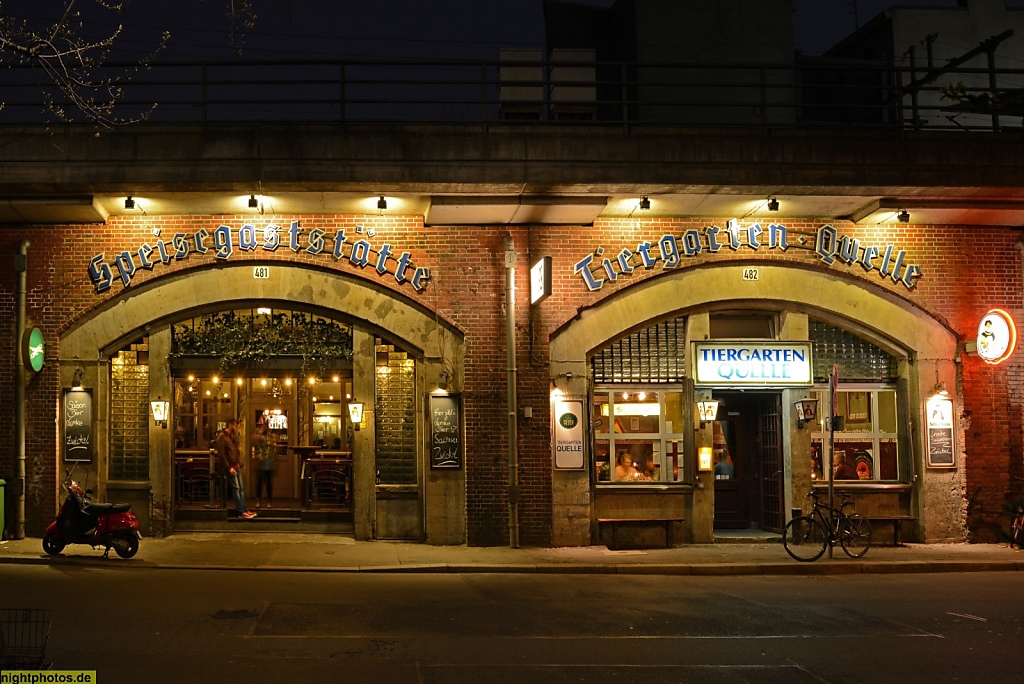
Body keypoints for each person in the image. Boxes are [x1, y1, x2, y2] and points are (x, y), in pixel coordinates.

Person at [217, 418, 256, 519]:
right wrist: (229, 467)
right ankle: (240, 511)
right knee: (236, 488)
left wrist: (238, 462)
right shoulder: (222, 437)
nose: (236, 427)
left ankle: (244, 509)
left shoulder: (231, 437)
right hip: (230, 466)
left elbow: (234, 451)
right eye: (235, 425)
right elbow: (222, 454)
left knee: (241, 489)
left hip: (235, 465)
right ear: (230, 425)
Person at [253, 420, 277, 509]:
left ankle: (269, 501)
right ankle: (258, 500)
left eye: (266, 426)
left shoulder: (272, 437)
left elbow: (274, 447)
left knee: (268, 483)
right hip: (260, 462)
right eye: (264, 426)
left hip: (269, 462)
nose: (265, 428)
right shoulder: (258, 436)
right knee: (259, 483)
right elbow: (254, 444)